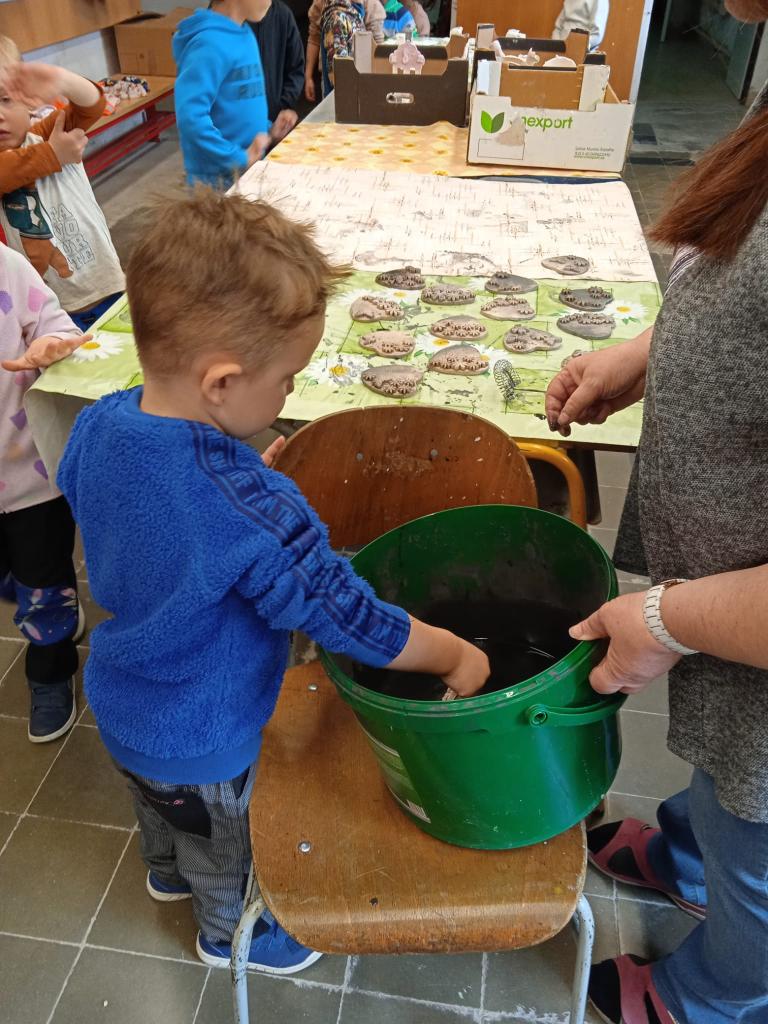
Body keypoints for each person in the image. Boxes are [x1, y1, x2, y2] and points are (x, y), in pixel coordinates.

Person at [57, 189, 490, 972]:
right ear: (221, 383)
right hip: (206, 736)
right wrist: (453, 655)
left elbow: (150, 505)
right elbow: (344, 616)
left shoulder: (102, 421)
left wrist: (233, 478)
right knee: (226, 850)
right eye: (289, 377)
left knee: (165, 816)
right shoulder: (254, 511)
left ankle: (164, 874)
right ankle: (233, 936)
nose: (291, 392)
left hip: (122, 702)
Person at [545, 1, 768, 1020]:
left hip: (741, 630)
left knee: (756, 841)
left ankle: (711, 994)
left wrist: (666, 620)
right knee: (720, 792)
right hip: (727, 616)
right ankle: (688, 853)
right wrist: (652, 354)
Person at [0, 244, 85, 741]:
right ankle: (50, 604)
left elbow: (60, 327)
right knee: (16, 579)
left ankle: (50, 668)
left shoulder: (7, 268)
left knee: (43, 582)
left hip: (30, 479)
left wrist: (50, 346)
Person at [0, 44, 125, 331]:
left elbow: (92, 106)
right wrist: (54, 154)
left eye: (5, 99)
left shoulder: (46, 134)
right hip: (49, 311)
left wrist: (61, 79)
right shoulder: (50, 145)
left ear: (28, 101)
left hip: (106, 283)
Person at [173, 0, 274, 187]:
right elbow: (191, 118)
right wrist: (238, 158)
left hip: (247, 170)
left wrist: (269, 129)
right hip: (216, 183)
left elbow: (240, 99)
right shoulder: (208, 43)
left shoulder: (245, 34)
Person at [305, 0, 386, 101]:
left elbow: (377, 45)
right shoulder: (335, 19)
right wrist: (308, 76)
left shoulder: (369, 6)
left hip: (363, 79)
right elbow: (339, 72)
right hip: (344, 87)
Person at [249, 0, 304, 144]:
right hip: (241, 134)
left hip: (276, 124)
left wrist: (283, 105)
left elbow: (296, 68)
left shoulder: (283, 15)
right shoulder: (234, 22)